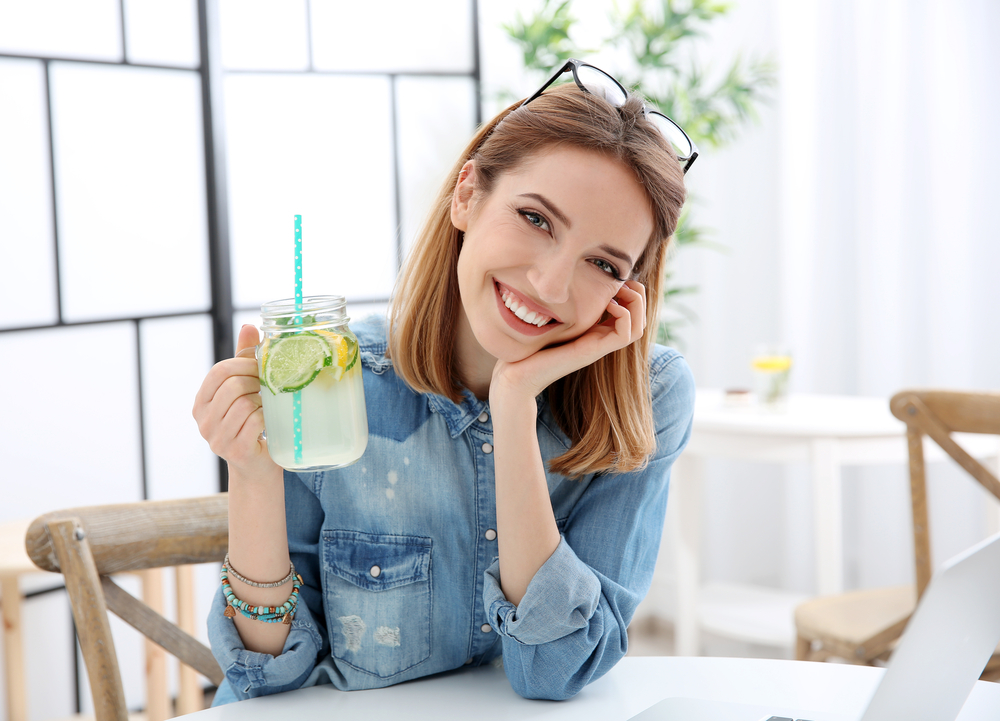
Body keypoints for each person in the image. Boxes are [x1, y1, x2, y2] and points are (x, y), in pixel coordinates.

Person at [193, 59, 697, 704]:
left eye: (601, 263)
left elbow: (555, 672)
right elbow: (268, 678)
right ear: (467, 196)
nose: (550, 286)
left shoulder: (648, 397)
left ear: (629, 291)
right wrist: (255, 472)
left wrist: (514, 406)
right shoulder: (335, 377)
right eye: (537, 219)